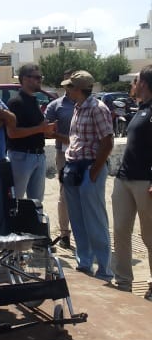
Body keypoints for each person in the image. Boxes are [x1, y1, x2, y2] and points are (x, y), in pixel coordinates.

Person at [62, 70, 114, 281]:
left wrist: (94, 172)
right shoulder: (79, 108)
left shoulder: (97, 108)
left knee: (95, 220)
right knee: (78, 220)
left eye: (69, 87)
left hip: (89, 168)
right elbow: (78, 140)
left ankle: (104, 269)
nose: (66, 90)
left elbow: (107, 142)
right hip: (75, 168)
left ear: (77, 89)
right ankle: (85, 263)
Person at [112, 65, 152, 296]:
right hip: (124, 179)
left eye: (134, 81)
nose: (131, 85)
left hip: (144, 182)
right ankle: (123, 282)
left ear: (144, 84)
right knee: (120, 231)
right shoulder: (140, 109)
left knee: (149, 235)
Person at [6, 64, 56, 202]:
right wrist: (40, 129)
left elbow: (37, 128)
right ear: (25, 79)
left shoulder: (34, 100)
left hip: (38, 156)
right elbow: (12, 133)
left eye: (41, 77)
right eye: (37, 77)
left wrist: (47, 130)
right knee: (16, 202)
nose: (40, 80)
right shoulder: (16, 102)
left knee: (36, 204)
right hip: (21, 157)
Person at [45, 69, 75, 249]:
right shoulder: (56, 105)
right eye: (67, 82)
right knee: (65, 195)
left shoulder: (90, 103)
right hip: (63, 154)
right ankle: (65, 234)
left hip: (86, 155)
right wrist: (63, 138)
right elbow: (46, 129)